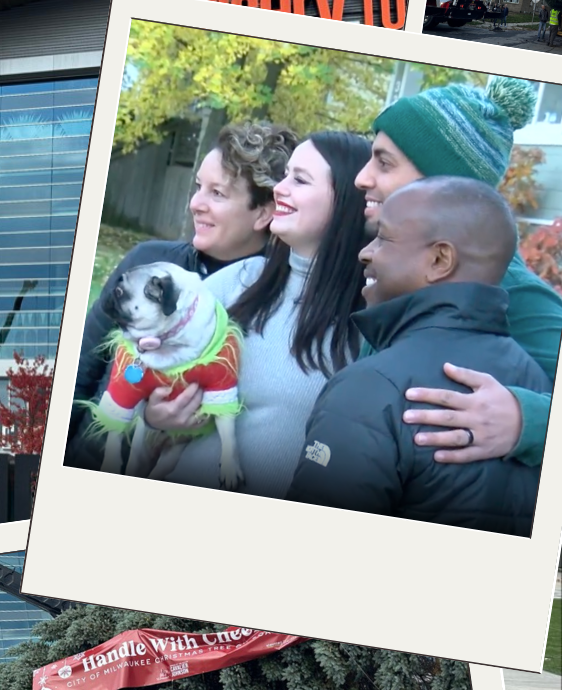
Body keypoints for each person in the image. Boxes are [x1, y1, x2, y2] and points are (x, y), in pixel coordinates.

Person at [286, 178, 546, 536]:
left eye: (383, 237)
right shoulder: (536, 385)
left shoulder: (371, 386)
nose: (366, 252)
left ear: (440, 259)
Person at [136, 132, 373, 498]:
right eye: (286, 175)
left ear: (346, 200)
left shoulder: (368, 321)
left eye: (301, 179)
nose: (280, 188)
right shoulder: (237, 283)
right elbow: (136, 380)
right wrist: (153, 417)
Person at [354, 76, 562, 471]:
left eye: (384, 162)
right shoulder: (394, 276)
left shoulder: (519, 296)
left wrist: (526, 420)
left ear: (443, 185)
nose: (362, 178)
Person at [65, 122, 299, 470]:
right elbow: (81, 370)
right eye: (198, 187)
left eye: (217, 194)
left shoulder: (278, 306)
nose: (196, 203)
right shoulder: (146, 262)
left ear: (263, 212)